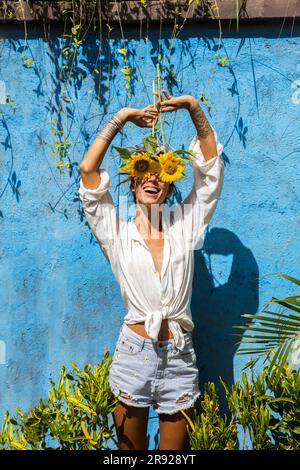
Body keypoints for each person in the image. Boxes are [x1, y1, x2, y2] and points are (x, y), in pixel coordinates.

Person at [78, 90, 224, 450]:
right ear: (133, 180)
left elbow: (210, 173)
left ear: (169, 184)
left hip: (179, 356)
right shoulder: (116, 233)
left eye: (161, 173)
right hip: (134, 354)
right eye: (145, 169)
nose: (153, 178)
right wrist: (122, 117)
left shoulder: (184, 226)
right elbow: (87, 171)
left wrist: (193, 107)